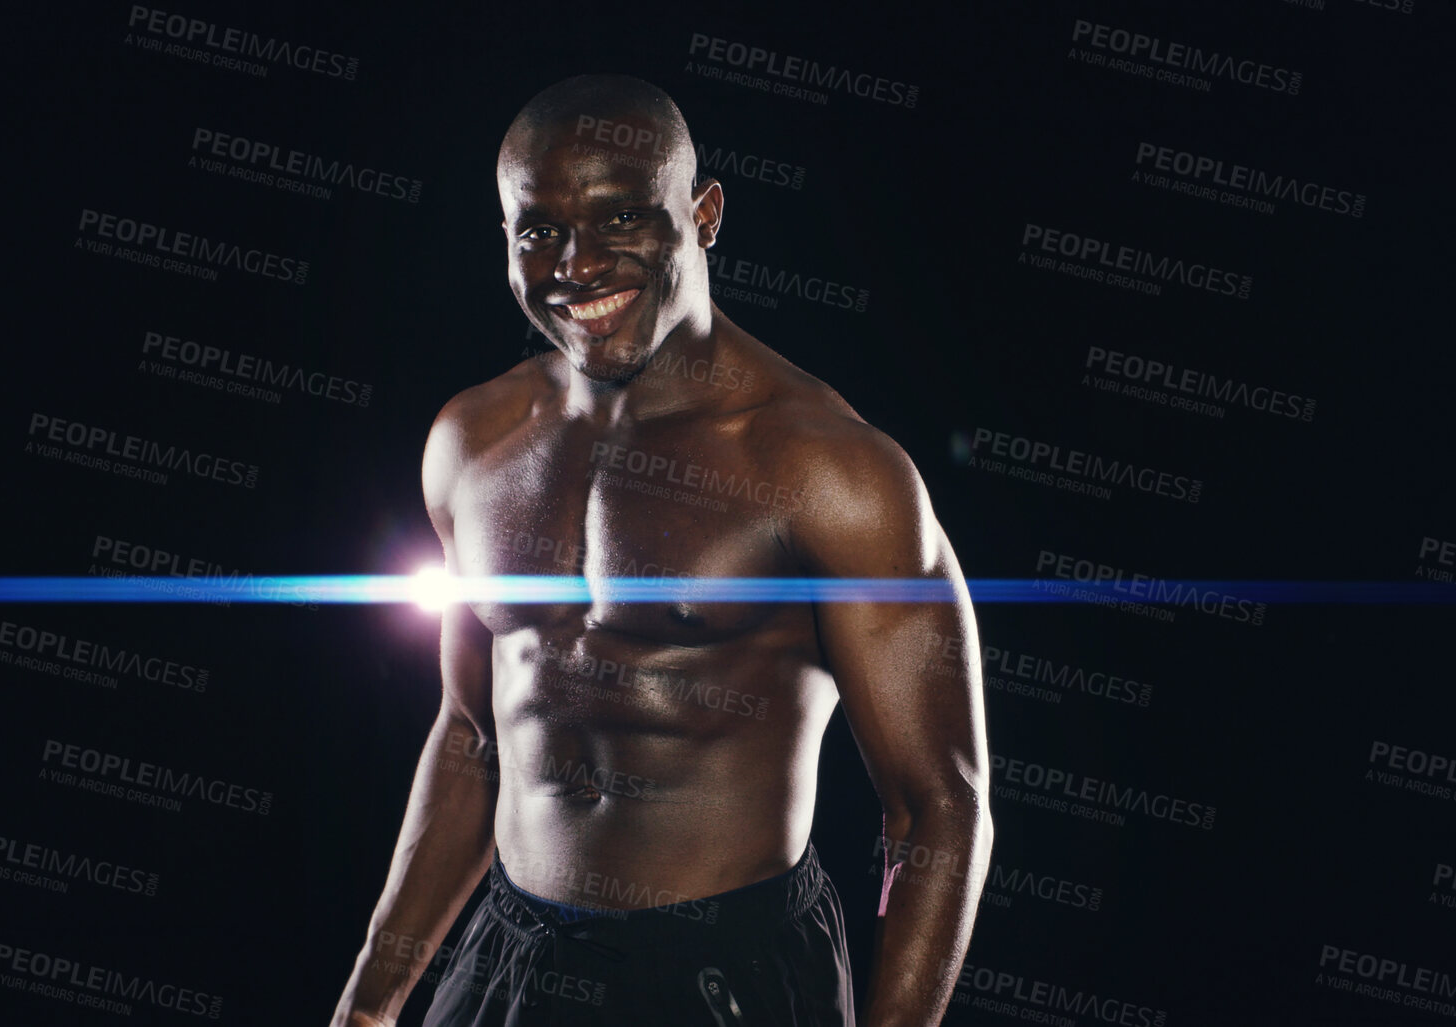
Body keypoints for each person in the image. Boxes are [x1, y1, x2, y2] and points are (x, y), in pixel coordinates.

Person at [332, 73, 991, 1027]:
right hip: (512, 960)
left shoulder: (827, 468)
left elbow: (939, 806)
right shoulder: (470, 441)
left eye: (619, 220)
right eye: (538, 230)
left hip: (725, 973)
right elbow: (472, 734)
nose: (576, 265)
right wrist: (368, 1003)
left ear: (704, 214)